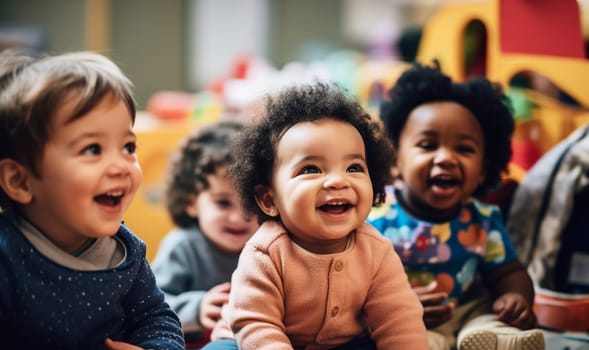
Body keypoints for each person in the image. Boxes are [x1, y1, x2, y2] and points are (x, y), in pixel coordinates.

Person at [203, 82, 429, 350]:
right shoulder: (264, 253)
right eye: (311, 170)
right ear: (269, 199)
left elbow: (398, 318)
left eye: (354, 167)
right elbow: (256, 324)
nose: (337, 181)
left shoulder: (376, 250)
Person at [0, 50, 184, 350]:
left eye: (128, 146)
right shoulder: (7, 257)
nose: (121, 165)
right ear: (20, 181)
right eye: (92, 150)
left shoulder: (127, 252)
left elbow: (156, 317)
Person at [368, 62, 545, 350]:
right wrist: (400, 307)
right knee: (412, 341)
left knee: (485, 317)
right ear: (395, 160)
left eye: (464, 149)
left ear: (483, 170)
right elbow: (356, 286)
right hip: (404, 316)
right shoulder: (377, 218)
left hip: (466, 311)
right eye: (427, 145)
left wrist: (516, 297)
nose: (446, 158)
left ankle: (500, 340)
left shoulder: (483, 220)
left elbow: (508, 272)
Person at [151, 121, 259, 345]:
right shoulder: (182, 247)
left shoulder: (267, 244)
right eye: (223, 203)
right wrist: (198, 307)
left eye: (250, 204)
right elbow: (150, 307)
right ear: (191, 202)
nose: (239, 217)